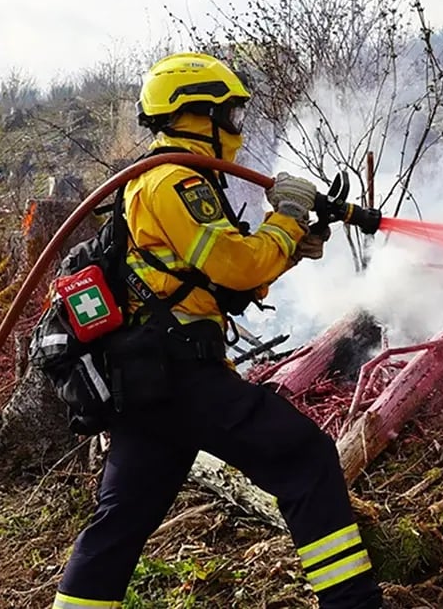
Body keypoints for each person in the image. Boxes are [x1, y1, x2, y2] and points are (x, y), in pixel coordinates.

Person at [52, 52, 384, 609]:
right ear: (194, 114)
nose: (236, 127)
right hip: (181, 374)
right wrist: (283, 221)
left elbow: (217, 282)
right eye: (229, 114)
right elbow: (235, 264)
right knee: (305, 459)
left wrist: (290, 249)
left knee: (121, 522)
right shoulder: (171, 180)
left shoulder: (176, 179)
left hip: (150, 384)